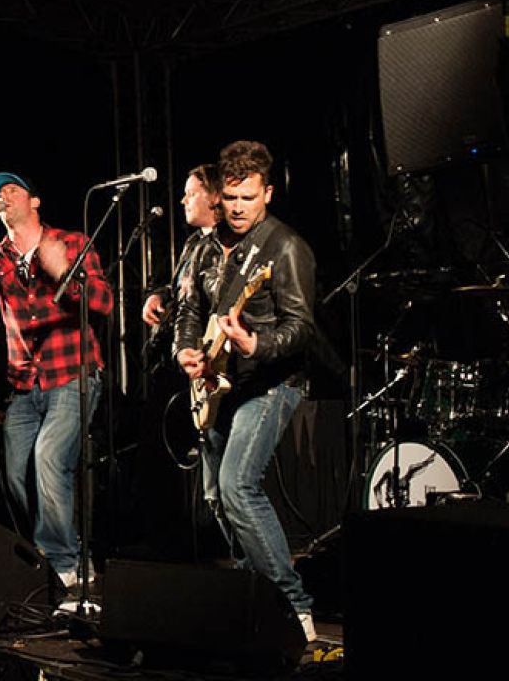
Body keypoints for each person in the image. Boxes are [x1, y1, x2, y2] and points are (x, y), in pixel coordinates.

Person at [173, 141, 319, 643]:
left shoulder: (286, 247)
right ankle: (251, 595)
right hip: (218, 383)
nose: (237, 207)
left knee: (238, 486)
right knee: (216, 496)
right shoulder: (209, 246)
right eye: (230, 197)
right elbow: (190, 310)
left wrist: (255, 342)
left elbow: (301, 327)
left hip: (274, 381)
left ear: (268, 193)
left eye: (248, 198)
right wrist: (186, 352)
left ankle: (294, 607)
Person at [0, 172, 112, 590]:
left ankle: (62, 563)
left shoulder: (71, 241)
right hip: (24, 383)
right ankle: (70, 551)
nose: (1, 197)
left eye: (10, 190)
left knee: (48, 458)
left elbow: (104, 301)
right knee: (18, 475)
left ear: (35, 201)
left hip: (71, 373)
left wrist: (63, 272)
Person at [142, 164, 223, 358]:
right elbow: (185, 289)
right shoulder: (193, 242)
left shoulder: (227, 244)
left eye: (191, 194)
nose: (183, 201)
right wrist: (160, 296)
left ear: (214, 197)